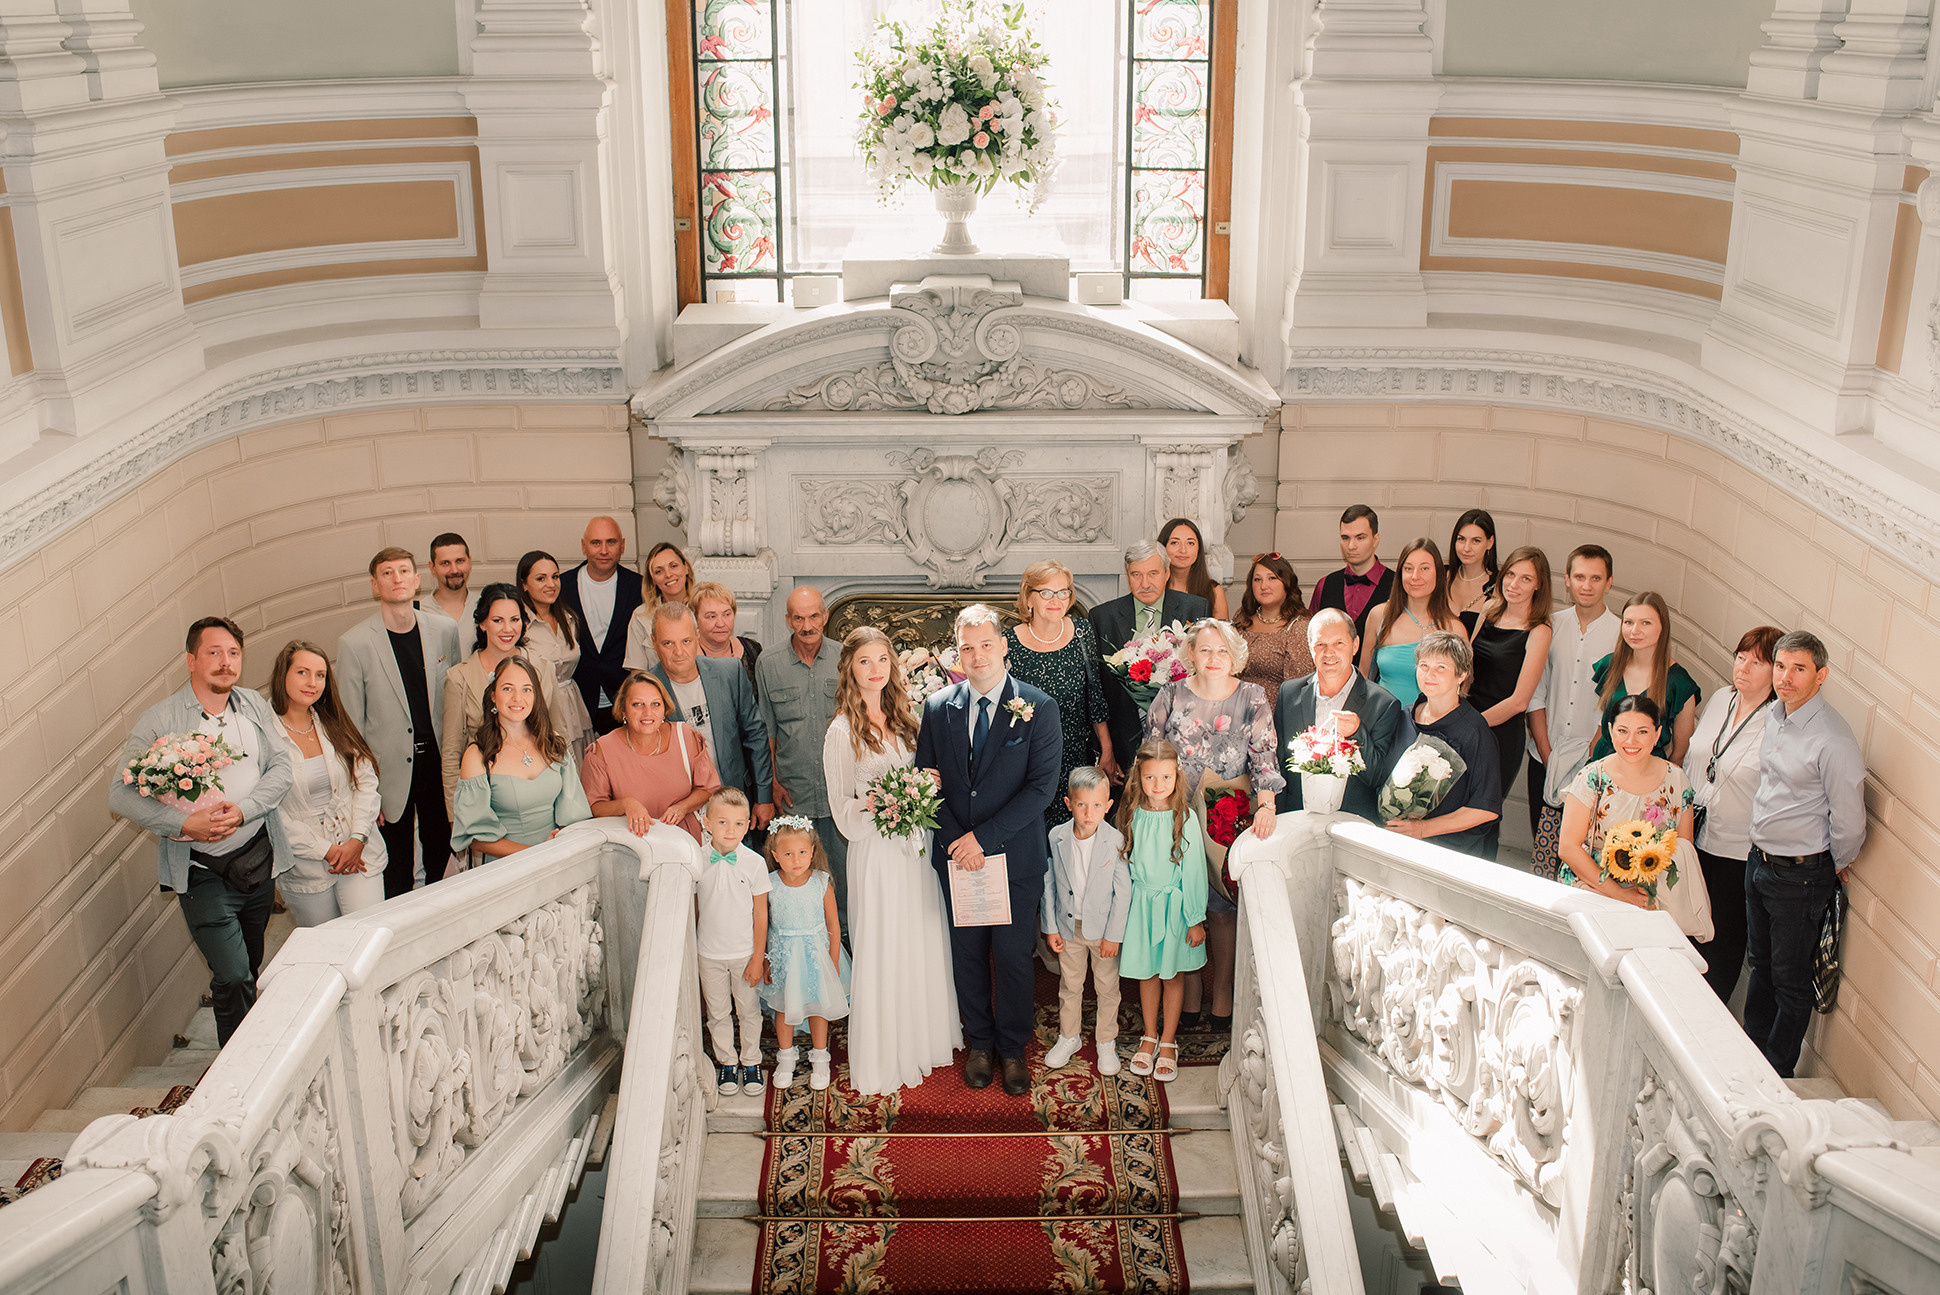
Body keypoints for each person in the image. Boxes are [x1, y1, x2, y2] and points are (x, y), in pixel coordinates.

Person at [110, 615, 294, 1045]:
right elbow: (120, 794)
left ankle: (248, 1054)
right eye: (214, 653)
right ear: (191, 660)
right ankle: (237, 1069)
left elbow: (282, 768)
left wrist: (246, 810)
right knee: (231, 975)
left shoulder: (252, 704)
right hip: (201, 870)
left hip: (258, 860)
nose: (225, 662)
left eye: (233, 653)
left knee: (246, 966)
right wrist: (182, 822)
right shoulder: (160, 720)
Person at [914, 604, 1061, 1096]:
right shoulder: (938, 707)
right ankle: (979, 1042)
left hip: (1013, 856)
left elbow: (1041, 789)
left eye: (985, 645)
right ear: (958, 653)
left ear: (1003, 647)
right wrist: (961, 843)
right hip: (958, 856)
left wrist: (984, 839)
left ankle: (1013, 1048)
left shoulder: (1039, 706)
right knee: (969, 955)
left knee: (1015, 956)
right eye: (967, 647)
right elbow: (926, 783)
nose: (977, 656)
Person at [824, 626, 960, 1094]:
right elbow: (842, 810)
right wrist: (884, 803)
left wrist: (925, 785)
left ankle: (922, 1039)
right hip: (877, 853)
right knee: (884, 941)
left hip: (915, 850)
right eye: (865, 661)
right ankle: (886, 1049)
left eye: (883, 659)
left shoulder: (907, 718)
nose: (875, 669)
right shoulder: (842, 732)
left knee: (919, 935)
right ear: (850, 668)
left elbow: (922, 773)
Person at [1145, 618, 1281, 1030]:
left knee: (1221, 909)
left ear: (1235, 655)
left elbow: (1264, 754)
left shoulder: (1252, 696)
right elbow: (1150, 754)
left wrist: (1266, 805)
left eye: (1223, 651)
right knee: (1182, 903)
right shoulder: (1169, 694)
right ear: (1190, 655)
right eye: (1205, 650)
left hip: (1229, 810)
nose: (1214, 658)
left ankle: (1222, 992)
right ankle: (1188, 993)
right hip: (1174, 812)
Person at [1743, 631, 1866, 1078]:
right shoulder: (1775, 716)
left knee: (1790, 981)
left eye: (1799, 669)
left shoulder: (1833, 739)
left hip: (1800, 877)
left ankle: (1775, 1072)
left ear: (1822, 675)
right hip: (1759, 862)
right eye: (1780, 666)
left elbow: (1850, 819)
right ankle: (1747, 1056)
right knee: (1761, 966)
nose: (1786, 678)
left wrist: (1832, 864)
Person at [337, 546, 462, 896]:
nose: (397, 579)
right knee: (396, 868)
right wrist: (364, 788)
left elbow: (454, 700)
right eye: (388, 573)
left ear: (417, 579)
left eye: (404, 571)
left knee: (442, 852)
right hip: (387, 772)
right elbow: (350, 726)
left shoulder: (444, 629)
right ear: (375, 584)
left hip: (438, 765)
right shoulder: (354, 644)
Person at [1682, 625, 1782, 1003]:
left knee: (1722, 941)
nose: (1743, 667)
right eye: (1740, 657)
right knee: (1681, 927)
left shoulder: (1777, 721)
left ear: (1775, 671)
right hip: (1693, 835)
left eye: (1757, 662)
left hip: (1737, 850)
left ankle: (1705, 1017)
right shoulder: (1722, 698)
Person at [267, 640, 386, 927]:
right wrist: (328, 851)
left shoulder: (333, 721)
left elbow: (366, 783)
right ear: (283, 674)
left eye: (320, 675)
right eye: (303, 673)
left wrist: (357, 839)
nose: (312, 682)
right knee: (325, 950)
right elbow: (272, 812)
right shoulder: (264, 736)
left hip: (359, 852)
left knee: (368, 936)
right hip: (306, 864)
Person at [1526, 545, 1619, 880]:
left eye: (1596, 578)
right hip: (1544, 756)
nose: (1587, 585)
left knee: (1581, 851)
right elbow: (1536, 694)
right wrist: (1547, 753)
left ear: (1609, 582)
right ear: (1567, 580)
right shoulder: (1549, 626)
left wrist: (1593, 751)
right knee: (1543, 841)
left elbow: (1614, 703)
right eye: (1579, 576)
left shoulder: (1621, 634)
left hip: (1592, 761)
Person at [1117, 740, 1207, 1085]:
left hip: (1175, 909)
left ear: (1176, 776)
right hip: (1142, 906)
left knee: (1172, 974)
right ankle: (1149, 1034)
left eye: (1165, 777)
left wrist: (1195, 917)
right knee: (1147, 973)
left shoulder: (1183, 819)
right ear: (1138, 777)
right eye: (1150, 777)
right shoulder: (1130, 815)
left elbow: (1195, 871)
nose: (1158, 785)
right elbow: (1124, 866)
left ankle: (1168, 1041)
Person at [758, 586, 848, 934]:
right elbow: (766, 730)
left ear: (825, 616)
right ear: (787, 620)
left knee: (840, 875)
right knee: (796, 877)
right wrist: (772, 785)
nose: (807, 625)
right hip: (792, 793)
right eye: (799, 617)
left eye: (813, 616)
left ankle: (844, 949)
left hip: (837, 792)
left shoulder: (845, 659)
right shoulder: (770, 663)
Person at [1558, 695, 1695, 913]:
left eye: (1642, 732)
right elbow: (1568, 847)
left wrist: (1646, 893)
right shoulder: (1592, 778)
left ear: (1658, 733)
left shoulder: (1676, 780)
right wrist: (1621, 894)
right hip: (1594, 887)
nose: (1631, 741)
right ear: (1610, 731)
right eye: (1623, 731)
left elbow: (1684, 849)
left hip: (1654, 894)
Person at [646, 602, 775, 829]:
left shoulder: (730, 672)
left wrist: (764, 798)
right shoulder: (645, 689)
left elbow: (756, 736)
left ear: (696, 636)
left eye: (686, 641)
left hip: (734, 799)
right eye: (668, 643)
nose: (678, 652)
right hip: (678, 812)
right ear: (654, 642)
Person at [1006, 558, 1116, 823]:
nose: (1056, 599)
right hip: (1029, 762)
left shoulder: (1082, 633)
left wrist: (1108, 750)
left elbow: (1095, 696)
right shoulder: (1009, 642)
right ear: (1028, 598)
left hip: (1076, 758)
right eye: (1046, 592)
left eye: (1063, 592)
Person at [451, 656, 593, 859]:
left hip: (556, 857)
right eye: (508, 688)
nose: (518, 698)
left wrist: (561, 849)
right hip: (506, 866)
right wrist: (536, 855)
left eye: (527, 689)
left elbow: (574, 817)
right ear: (493, 695)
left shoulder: (553, 743)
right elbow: (476, 837)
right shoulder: (477, 756)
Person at [1091, 540, 1211, 779]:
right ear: (1127, 575)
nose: (1145, 583)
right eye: (1136, 574)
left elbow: (1206, 675)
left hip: (1183, 737)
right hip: (1123, 740)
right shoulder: (1102, 617)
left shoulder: (1195, 609)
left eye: (1153, 573)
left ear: (1167, 573)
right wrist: (1106, 749)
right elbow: (1097, 688)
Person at [1273, 608, 1407, 823]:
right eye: (1320, 645)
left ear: (1355, 645)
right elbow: (1278, 762)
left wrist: (1357, 733)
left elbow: (1378, 777)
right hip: (1296, 817)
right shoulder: (1289, 693)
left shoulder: (1383, 703)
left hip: (1352, 822)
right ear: (1310, 648)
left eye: (1338, 644)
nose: (1329, 653)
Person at [1463, 546, 1553, 855]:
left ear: (1538, 585)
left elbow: (1519, 701)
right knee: (1457, 807)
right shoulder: (1489, 610)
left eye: (1525, 579)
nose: (1513, 584)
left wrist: (1471, 724)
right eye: (1510, 574)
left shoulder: (1539, 631)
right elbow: (1469, 670)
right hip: (1469, 720)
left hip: (1501, 733)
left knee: (1483, 815)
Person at [1041, 767, 1132, 1076]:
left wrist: (1114, 935)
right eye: (1081, 804)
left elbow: (1123, 893)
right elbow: (1049, 884)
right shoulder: (1056, 836)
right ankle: (1069, 1037)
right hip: (1069, 929)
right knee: (1070, 985)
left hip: (1103, 930)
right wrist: (1050, 926)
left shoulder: (1115, 840)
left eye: (1097, 805)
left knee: (1107, 987)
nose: (1089, 812)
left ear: (1108, 805)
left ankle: (1106, 1040)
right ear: (1069, 803)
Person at [440, 583, 560, 812]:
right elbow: (451, 753)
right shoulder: (459, 678)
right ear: (482, 623)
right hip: (483, 796)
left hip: (539, 793)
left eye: (515, 620)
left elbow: (558, 733)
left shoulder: (543, 669)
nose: (507, 629)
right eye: (497, 621)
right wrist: (455, 815)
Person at [1386, 631, 1500, 858]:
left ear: (1461, 675)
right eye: (1424, 665)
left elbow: (1485, 809)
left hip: (1450, 852)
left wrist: (1422, 829)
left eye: (1441, 668)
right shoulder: (1404, 716)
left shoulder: (1475, 731)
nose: (1430, 674)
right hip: (1399, 844)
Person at [761, 817, 850, 1092]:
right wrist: (765, 958)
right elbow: (763, 924)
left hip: (816, 954)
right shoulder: (770, 884)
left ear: (812, 851)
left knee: (817, 1005)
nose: (796, 860)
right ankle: (786, 1056)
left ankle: (820, 1056)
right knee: (783, 1006)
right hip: (784, 955)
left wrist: (833, 960)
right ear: (775, 856)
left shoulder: (821, 882)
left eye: (802, 852)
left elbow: (833, 924)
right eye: (788, 854)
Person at [581, 672, 720, 843]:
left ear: (664, 708)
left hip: (686, 842)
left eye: (655, 704)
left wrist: (682, 807)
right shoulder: (602, 750)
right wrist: (627, 804)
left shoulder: (685, 736)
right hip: (632, 846)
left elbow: (708, 789)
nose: (648, 712)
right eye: (637, 704)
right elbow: (594, 807)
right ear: (623, 708)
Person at [695, 788, 769, 1098]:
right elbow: (694, 908)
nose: (731, 830)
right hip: (708, 953)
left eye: (739, 824)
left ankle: (751, 1061)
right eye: (723, 822)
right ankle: (727, 1060)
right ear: (706, 822)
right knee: (718, 1012)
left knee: (749, 1010)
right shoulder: (696, 860)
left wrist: (757, 957)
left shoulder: (753, 863)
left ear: (748, 824)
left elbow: (761, 914)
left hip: (744, 954)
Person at [555, 516, 642, 736]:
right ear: (584, 546)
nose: (604, 550)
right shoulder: (561, 587)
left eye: (611, 542)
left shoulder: (639, 587)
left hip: (624, 699)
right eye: (596, 543)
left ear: (622, 545)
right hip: (578, 701)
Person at [1589, 592, 1700, 764]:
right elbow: (1603, 725)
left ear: (1662, 626)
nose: (1635, 631)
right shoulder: (1610, 665)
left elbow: (1680, 752)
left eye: (1645, 623)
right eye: (1629, 622)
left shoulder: (1679, 683)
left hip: (1648, 772)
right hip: (1603, 765)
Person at [1360, 537, 1465, 711]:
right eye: (1408, 569)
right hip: (1383, 722)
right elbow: (1364, 676)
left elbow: (1462, 688)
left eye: (1424, 569)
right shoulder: (1379, 616)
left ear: (1438, 573)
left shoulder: (1454, 628)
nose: (1415, 576)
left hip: (1433, 728)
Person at [517, 550, 594, 754]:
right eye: (541, 578)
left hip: (573, 705)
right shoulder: (518, 626)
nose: (551, 584)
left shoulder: (569, 619)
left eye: (555, 576)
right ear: (524, 584)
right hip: (540, 708)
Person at [1234, 552, 1314, 694]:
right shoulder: (1242, 617)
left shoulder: (1298, 627)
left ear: (1287, 583)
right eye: (1257, 580)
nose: (1264, 585)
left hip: (1274, 712)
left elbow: (1300, 690)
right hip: (1234, 707)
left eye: (1272, 578)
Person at [1314, 504, 1394, 640]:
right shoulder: (1325, 584)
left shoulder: (1397, 584)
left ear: (1375, 540)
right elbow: (1314, 636)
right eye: (1345, 538)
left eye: (1360, 538)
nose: (1351, 546)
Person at [622, 541, 698, 672]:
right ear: (652, 579)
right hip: (657, 690)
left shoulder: (704, 608)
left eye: (673, 566)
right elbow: (638, 673)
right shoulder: (641, 616)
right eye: (659, 571)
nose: (668, 574)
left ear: (686, 568)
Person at [692, 581, 762, 692]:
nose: (721, 623)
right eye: (711, 616)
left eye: (727, 614)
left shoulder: (752, 650)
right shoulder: (687, 659)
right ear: (695, 620)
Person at [1159, 516, 1229, 620]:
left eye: (1190, 543)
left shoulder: (1214, 591)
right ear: (1162, 547)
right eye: (1174, 542)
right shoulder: (1154, 588)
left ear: (1198, 549)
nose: (1183, 550)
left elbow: (1222, 634)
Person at [1445, 509, 1498, 617]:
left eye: (1476, 541)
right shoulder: (1439, 575)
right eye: (1461, 539)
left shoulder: (1499, 586)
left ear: (1490, 542)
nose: (1466, 548)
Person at [427, 532, 479, 628]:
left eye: (459, 561)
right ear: (433, 568)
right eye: (445, 563)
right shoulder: (419, 612)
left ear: (470, 563)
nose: (454, 570)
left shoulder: (485, 606)